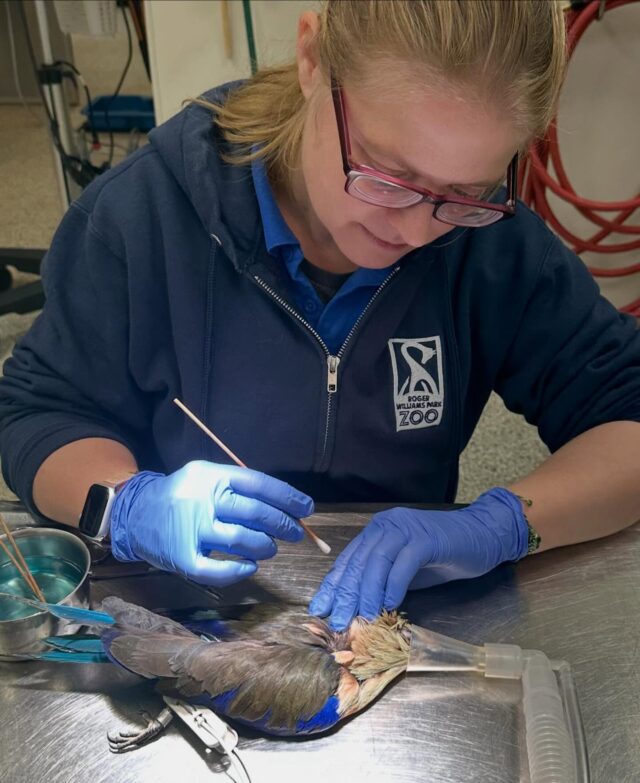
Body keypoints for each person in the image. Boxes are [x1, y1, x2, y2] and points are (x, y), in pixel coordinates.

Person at [1, 1, 639, 631]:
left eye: (465, 194)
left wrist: (505, 523)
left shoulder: (493, 248)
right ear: (312, 59)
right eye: (388, 176)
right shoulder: (141, 219)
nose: (417, 229)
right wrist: (126, 503)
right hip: (175, 612)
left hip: (392, 619)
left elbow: (626, 419)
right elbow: (39, 414)